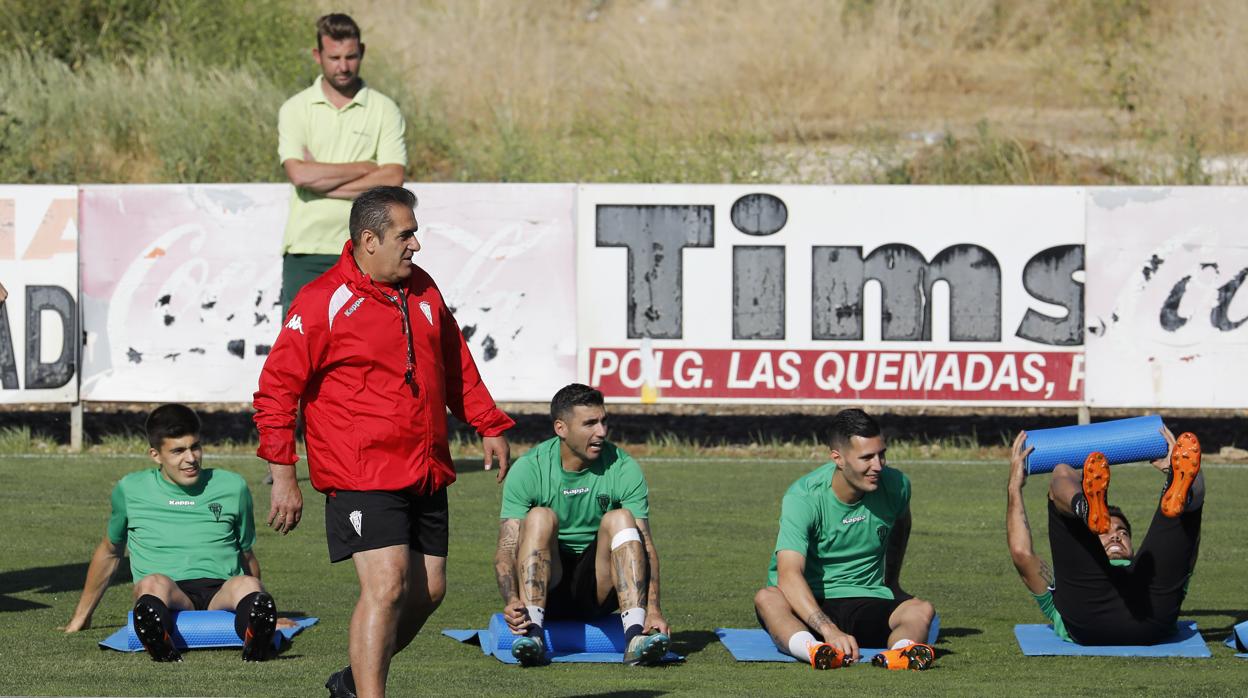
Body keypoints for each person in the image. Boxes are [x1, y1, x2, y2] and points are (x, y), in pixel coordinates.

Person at [253, 186, 514, 698]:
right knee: (387, 584)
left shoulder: (423, 289)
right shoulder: (323, 300)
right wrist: (284, 474)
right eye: (407, 234)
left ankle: (354, 681)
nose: (416, 245)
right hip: (360, 472)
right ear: (369, 240)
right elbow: (276, 391)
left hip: (425, 467)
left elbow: (454, 361)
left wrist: (487, 422)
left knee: (430, 592)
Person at [64, 404, 278, 663]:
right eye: (178, 451)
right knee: (152, 583)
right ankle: (159, 643)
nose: (190, 458)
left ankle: (256, 640)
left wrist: (259, 599)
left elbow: (246, 553)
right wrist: (81, 617)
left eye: (195, 447)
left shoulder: (233, 486)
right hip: (171, 592)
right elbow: (110, 552)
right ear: (156, 455)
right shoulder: (131, 489)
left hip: (221, 589)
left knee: (247, 584)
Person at [493, 384, 671, 666]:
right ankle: (533, 637)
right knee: (540, 516)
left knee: (621, 518)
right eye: (590, 423)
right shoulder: (530, 467)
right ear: (561, 428)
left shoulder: (623, 467)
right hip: (547, 586)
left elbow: (645, 545)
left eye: (603, 421)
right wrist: (512, 599)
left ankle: (636, 638)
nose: (601, 431)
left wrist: (654, 609)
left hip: (599, 588)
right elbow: (506, 547)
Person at [753, 408, 936, 671]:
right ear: (837, 458)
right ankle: (817, 651)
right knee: (767, 598)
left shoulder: (897, 486)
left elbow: (901, 525)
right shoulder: (803, 497)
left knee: (920, 610)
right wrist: (828, 629)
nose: (878, 466)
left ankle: (900, 654)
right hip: (810, 604)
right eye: (866, 458)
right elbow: (788, 574)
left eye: (881, 454)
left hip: (865, 599)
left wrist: (892, 582)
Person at [1006, 426, 1204, 645]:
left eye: (1122, 532)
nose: (1116, 537)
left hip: (1129, 606)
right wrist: (1014, 488)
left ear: (1131, 543)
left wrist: (1015, 488)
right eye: (1107, 532)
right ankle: (1088, 509)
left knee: (1062, 471)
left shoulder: (1147, 567)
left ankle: (1178, 490)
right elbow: (1022, 554)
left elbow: (1020, 553)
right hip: (1131, 618)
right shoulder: (1063, 586)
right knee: (1191, 509)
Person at [277, 12, 407, 319]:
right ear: (317, 55)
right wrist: (365, 166)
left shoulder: (384, 110)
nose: (343, 66)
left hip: (369, 246)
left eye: (350, 56)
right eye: (334, 57)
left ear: (361, 52)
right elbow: (298, 173)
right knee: (300, 349)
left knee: (369, 348)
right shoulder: (295, 108)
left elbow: (393, 178)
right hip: (307, 248)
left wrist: (320, 181)